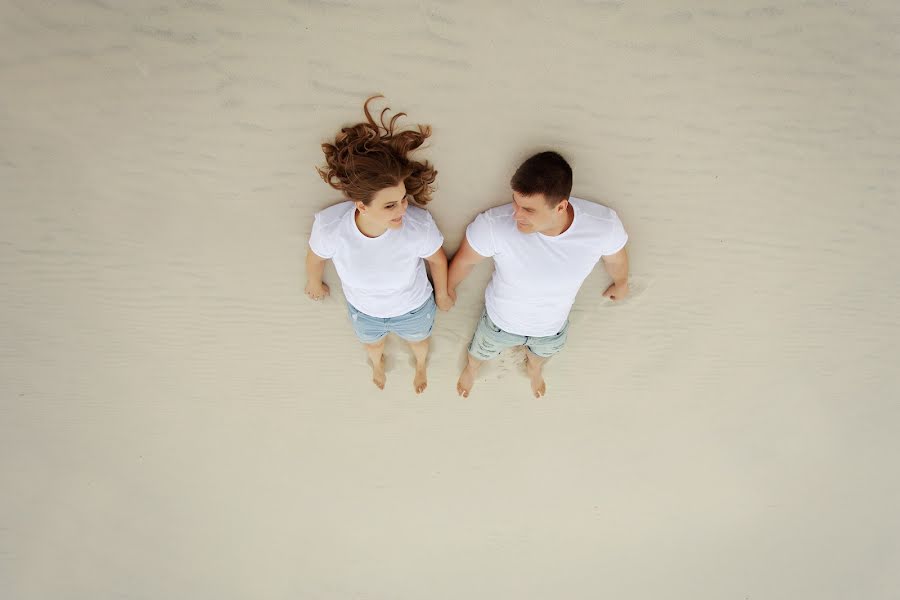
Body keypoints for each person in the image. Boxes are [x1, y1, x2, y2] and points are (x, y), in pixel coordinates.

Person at [448, 151, 629, 398]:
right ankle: (471, 370)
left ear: (560, 206)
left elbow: (616, 258)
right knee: (479, 352)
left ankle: (534, 371)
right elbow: (465, 262)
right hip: (499, 323)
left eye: (528, 210)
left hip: (551, 328)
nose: (516, 215)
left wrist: (621, 283)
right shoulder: (494, 226)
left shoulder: (602, 226)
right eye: (515, 203)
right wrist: (447, 288)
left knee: (539, 358)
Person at [305, 96, 454, 393]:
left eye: (402, 200)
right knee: (372, 346)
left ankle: (421, 366)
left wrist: (444, 294)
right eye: (390, 206)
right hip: (363, 310)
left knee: (419, 343)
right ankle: (377, 365)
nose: (402, 210)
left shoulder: (416, 226)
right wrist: (315, 284)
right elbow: (315, 256)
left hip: (413, 307)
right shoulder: (331, 227)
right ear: (361, 206)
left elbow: (436, 260)